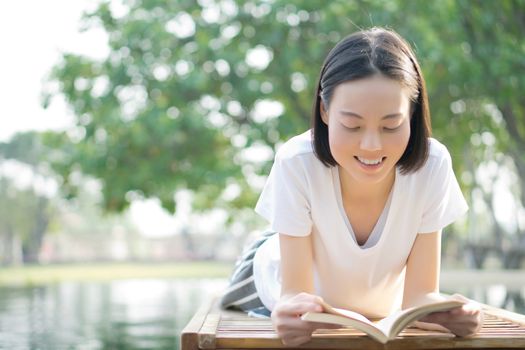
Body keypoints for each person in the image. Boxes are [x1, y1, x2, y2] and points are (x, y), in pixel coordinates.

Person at [220, 26, 483, 346]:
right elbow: (296, 295)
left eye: (391, 125)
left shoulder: (433, 165)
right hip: (273, 269)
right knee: (262, 263)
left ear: (412, 115)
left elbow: (420, 295)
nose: (372, 145)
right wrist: (290, 314)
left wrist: (454, 314)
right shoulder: (296, 161)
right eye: (352, 125)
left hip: (368, 293)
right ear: (325, 111)